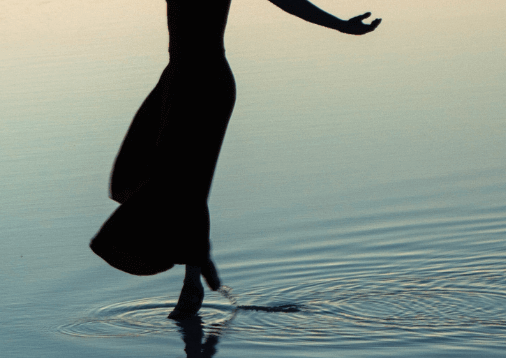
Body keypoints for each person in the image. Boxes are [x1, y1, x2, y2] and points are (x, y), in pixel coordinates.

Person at [89, 0, 381, 318]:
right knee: (140, 169)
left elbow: (289, 1)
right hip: (175, 80)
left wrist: (340, 25)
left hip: (206, 85)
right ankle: (198, 265)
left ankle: (193, 283)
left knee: (187, 181)